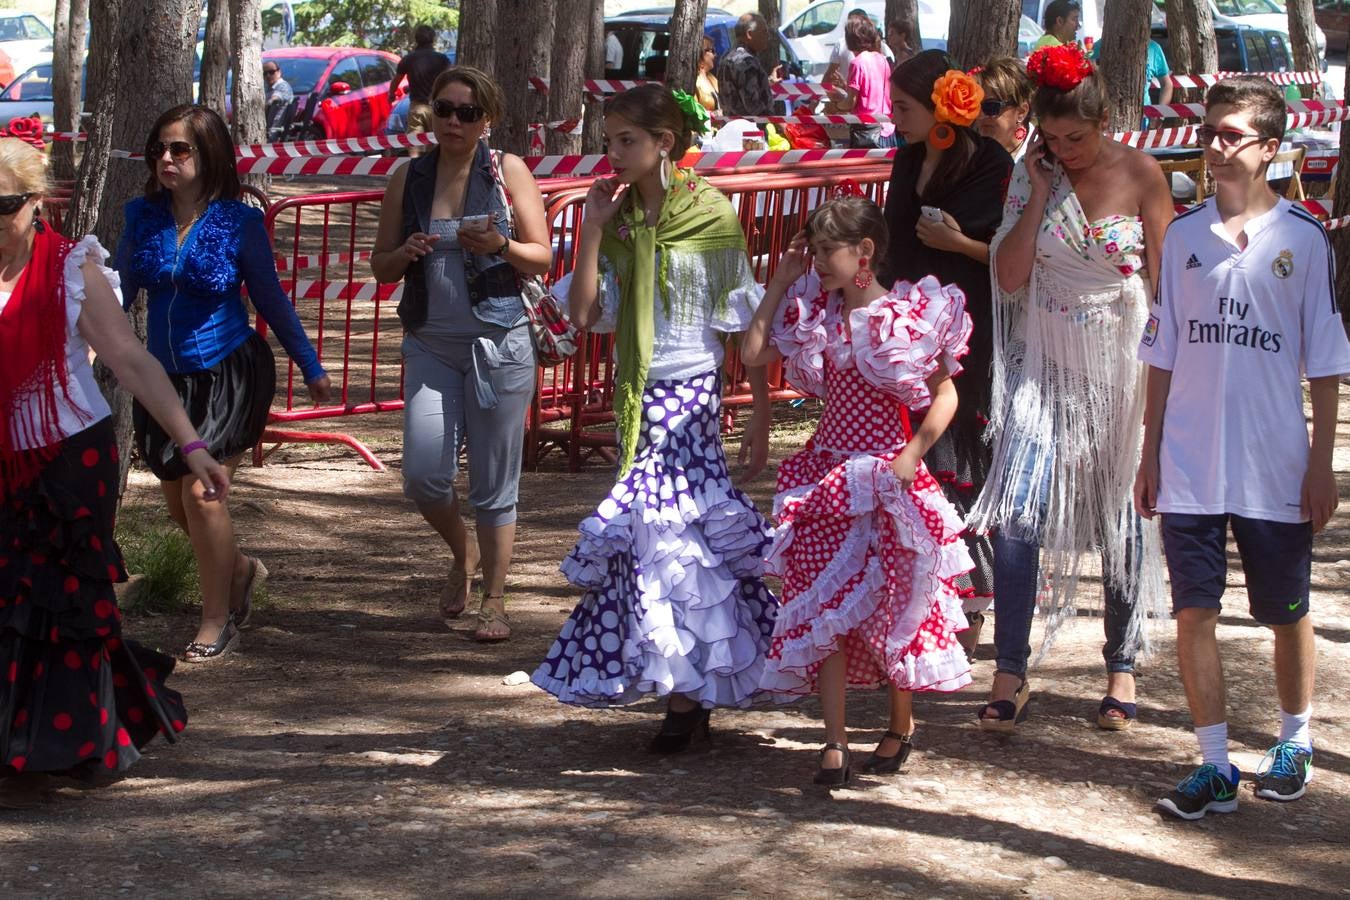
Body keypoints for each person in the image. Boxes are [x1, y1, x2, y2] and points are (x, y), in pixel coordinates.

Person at [531, 84, 777, 752]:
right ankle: (685, 691)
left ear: (664, 143)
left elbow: (741, 317)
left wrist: (754, 417)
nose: (611, 153)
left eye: (624, 141)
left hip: (692, 400)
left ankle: (688, 695)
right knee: (657, 547)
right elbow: (582, 316)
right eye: (609, 140)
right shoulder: (618, 221)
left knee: (679, 542)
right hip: (637, 400)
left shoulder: (711, 215)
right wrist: (591, 233)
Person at [1137, 77, 1350, 821]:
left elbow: (1325, 362)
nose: (1215, 144)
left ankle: (1295, 740)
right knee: (1194, 613)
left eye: (1231, 134)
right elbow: (1160, 349)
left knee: (1284, 610)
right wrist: (1150, 451)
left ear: (1269, 147)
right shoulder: (1186, 234)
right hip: (1191, 466)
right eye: (1210, 130)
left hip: (1274, 465)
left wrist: (1322, 462)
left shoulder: (1303, 238)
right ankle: (1214, 765)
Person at [0, 136, 231, 808]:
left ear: (38, 201)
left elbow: (130, 361)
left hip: (70, 457)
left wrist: (192, 445)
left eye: (6, 204)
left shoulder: (74, 268)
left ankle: (72, 743)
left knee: (62, 602)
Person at [967, 43, 1174, 732]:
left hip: (1121, 365)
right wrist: (1039, 195)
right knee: (1019, 512)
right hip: (1047, 363)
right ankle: (1010, 669)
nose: (1064, 149)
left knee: (1122, 516)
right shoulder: (1037, 178)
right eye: (1051, 138)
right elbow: (1009, 279)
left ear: (1105, 119)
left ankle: (1122, 664)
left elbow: (1168, 284)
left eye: (1075, 138)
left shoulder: (1144, 173)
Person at [743, 197, 975, 785]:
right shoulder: (816, 318)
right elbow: (751, 353)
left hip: (889, 475)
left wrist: (911, 454)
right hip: (828, 477)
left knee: (894, 601)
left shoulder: (906, 317)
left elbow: (946, 393)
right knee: (822, 603)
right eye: (815, 250)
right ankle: (835, 740)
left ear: (863, 251)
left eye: (827, 250)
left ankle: (900, 724)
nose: (818, 261)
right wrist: (780, 284)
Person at [116, 105, 332, 662]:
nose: (166, 159)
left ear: (209, 155)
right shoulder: (140, 215)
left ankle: (216, 620)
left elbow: (271, 299)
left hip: (228, 373)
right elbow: (117, 292)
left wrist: (311, 367)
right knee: (178, 508)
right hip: (162, 381)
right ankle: (238, 571)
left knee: (201, 494)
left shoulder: (239, 221)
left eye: (180, 150)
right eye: (160, 149)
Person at [371, 67, 551, 643]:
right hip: (430, 342)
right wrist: (406, 250)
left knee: (494, 484)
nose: (452, 120)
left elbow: (542, 256)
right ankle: (463, 552)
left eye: (466, 113)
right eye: (444, 109)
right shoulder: (409, 177)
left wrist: (500, 244)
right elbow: (380, 267)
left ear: (486, 121)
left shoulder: (508, 171)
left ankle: (495, 600)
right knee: (424, 476)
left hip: (500, 342)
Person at [881, 51, 1014, 660]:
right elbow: (892, 240)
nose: (892, 115)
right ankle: (930, 596)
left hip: (969, 330)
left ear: (939, 106)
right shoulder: (907, 157)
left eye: (903, 106)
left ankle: (975, 601)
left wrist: (955, 240)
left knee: (963, 458)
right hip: (910, 330)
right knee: (919, 458)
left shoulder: (990, 160)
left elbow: (1007, 251)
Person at [829, 17, 896, 149]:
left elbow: (850, 103)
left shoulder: (857, 63)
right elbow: (872, 94)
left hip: (866, 133)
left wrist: (835, 106)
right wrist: (845, 86)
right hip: (887, 130)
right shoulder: (882, 60)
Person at [389, 24, 452, 139]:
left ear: (416, 39)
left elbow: (396, 80)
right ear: (433, 39)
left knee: (414, 141)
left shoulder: (408, 59)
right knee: (436, 141)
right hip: (437, 107)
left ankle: (415, 157)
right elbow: (450, 79)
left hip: (417, 107)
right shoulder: (442, 59)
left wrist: (391, 94)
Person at [718, 12, 783, 118]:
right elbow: (755, 107)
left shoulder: (726, 57)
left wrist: (768, 80)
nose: (768, 36)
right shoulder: (747, 62)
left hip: (729, 127)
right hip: (750, 130)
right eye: (764, 32)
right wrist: (779, 124)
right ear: (749, 34)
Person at [974, 57, 1034, 163]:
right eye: (975, 107)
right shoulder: (970, 154)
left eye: (991, 106)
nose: (980, 115)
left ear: (1021, 112)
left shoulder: (1044, 158)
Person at [263, 61, 294, 141]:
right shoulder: (269, 88)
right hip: (268, 130)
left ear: (279, 72)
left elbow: (275, 98)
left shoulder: (283, 86)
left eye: (271, 72)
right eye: (265, 73)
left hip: (272, 133)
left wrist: (264, 106)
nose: (268, 75)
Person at [695, 35, 721, 115]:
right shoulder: (692, 80)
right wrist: (714, 115)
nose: (715, 55)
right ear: (702, 52)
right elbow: (693, 113)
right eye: (712, 51)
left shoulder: (712, 77)